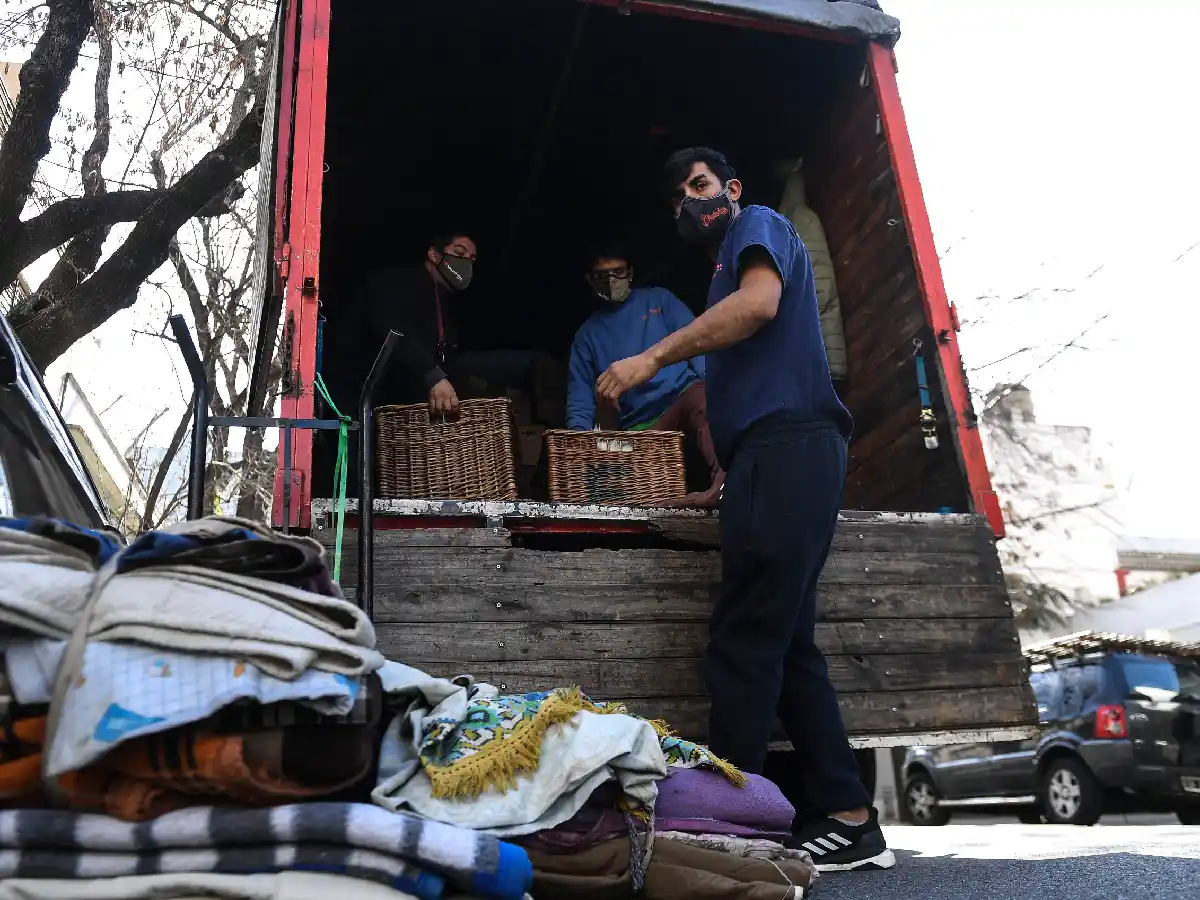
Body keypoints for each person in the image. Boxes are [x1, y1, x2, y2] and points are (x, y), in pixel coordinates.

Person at [595, 148, 893, 872]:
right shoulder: (724, 266)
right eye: (676, 198)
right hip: (782, 454)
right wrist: (730, 471)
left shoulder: (755, 228)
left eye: (698, 186)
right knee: (787, 643)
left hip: (789, 448)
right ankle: (849, 816)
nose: (687, 203)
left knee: (743, 640)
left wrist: (649, 359)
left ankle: (731, 825)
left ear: (729, 189)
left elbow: (758, 308)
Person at [566, 245, 724, 506]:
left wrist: (718, 390)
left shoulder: (659, 301)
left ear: (630, 273)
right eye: (602, 275)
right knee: (614, 469)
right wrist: (582, 448)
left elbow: (697, 344)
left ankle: (724, 483)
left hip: (681, 395)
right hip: (638, 426)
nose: (611, 280)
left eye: (617, 272)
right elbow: (580, 403)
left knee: (705, 400)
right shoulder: (586, 336)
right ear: (589, 280)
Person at [360, 230, 478, 415]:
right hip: (360, 403)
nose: (466, 263)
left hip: (400, 409)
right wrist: (433, 376)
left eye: (471, 259)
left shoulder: (444, 302)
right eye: (460, 253)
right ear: (433, 254)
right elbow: (394, 329)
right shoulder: (397, 282)